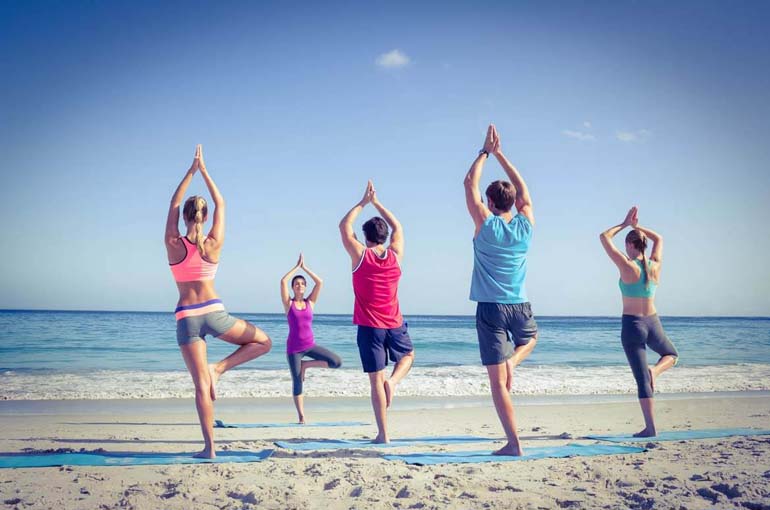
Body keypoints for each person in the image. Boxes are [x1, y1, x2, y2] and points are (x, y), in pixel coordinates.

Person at [165, 145, 272, 458]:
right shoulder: (213, 243)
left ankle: (210, 449)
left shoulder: (173, 243)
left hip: (187, 318)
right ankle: (220, 368)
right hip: (215, 313)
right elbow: (221, 202)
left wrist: (190, 170)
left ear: (184, 217)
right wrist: (205, 170)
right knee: (264, 342)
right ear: (205, 215)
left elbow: (173, 203)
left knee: (200, 386)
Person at [464, 124, 538, 456]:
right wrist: (501, 155)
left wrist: (484, 152)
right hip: (520, 305)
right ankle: (514, 361)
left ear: (490, 202)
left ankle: (513, 443)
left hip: (491, 309)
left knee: (498, 385)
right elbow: (524, 191)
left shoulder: (485, 223)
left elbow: (469, 184)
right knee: (530, 339)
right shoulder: (525, 224)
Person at [338, 181, 415, 443]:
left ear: (367, 237)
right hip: (395, 323)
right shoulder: (395, 255)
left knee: (375, 382)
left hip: (370, 328)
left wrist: (363, 202)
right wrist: (379, 203)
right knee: (408, 357)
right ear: (384, 236)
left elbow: (343, 227)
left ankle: (383, 435)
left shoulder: (360, 256)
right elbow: (400, 228)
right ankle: (393, 383)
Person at [600, 206, 678, 437]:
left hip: (633, 326)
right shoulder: (656, 265)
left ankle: (651, 428)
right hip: (653, 323)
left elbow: (604, 237)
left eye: (627, 244)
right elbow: (659, 238)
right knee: (672, 355)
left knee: (641, 379)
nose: (626, 248)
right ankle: (655, 371)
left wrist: (625, 224)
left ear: (631, 245)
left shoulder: (627, 266)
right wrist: (638, 227)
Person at [280, 253, 342, 424]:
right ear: (293, 287)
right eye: (296, 283)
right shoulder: (289, 304)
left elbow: (320, 282)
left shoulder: (310, 303)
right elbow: (282, 282)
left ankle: (306, 365)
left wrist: (304, 268)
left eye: (302, 283)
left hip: (310, 345)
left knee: (336, 362)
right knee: (297, 382)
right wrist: (295, 268)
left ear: (305, 287)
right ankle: (301, 417)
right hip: (294, 349)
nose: (299, 285)